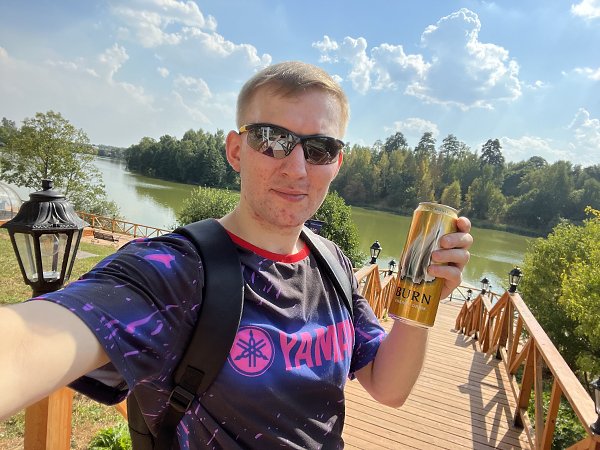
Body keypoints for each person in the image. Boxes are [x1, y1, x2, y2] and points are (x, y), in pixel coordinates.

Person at [0, 61, 472, 449]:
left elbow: (388, 388)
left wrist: (421, 301)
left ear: (337, 163)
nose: (297, 168)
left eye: (320, 148)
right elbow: (28, 341)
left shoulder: (333, 263)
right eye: (272, 139)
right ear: (235, 150)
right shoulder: (174, 271)